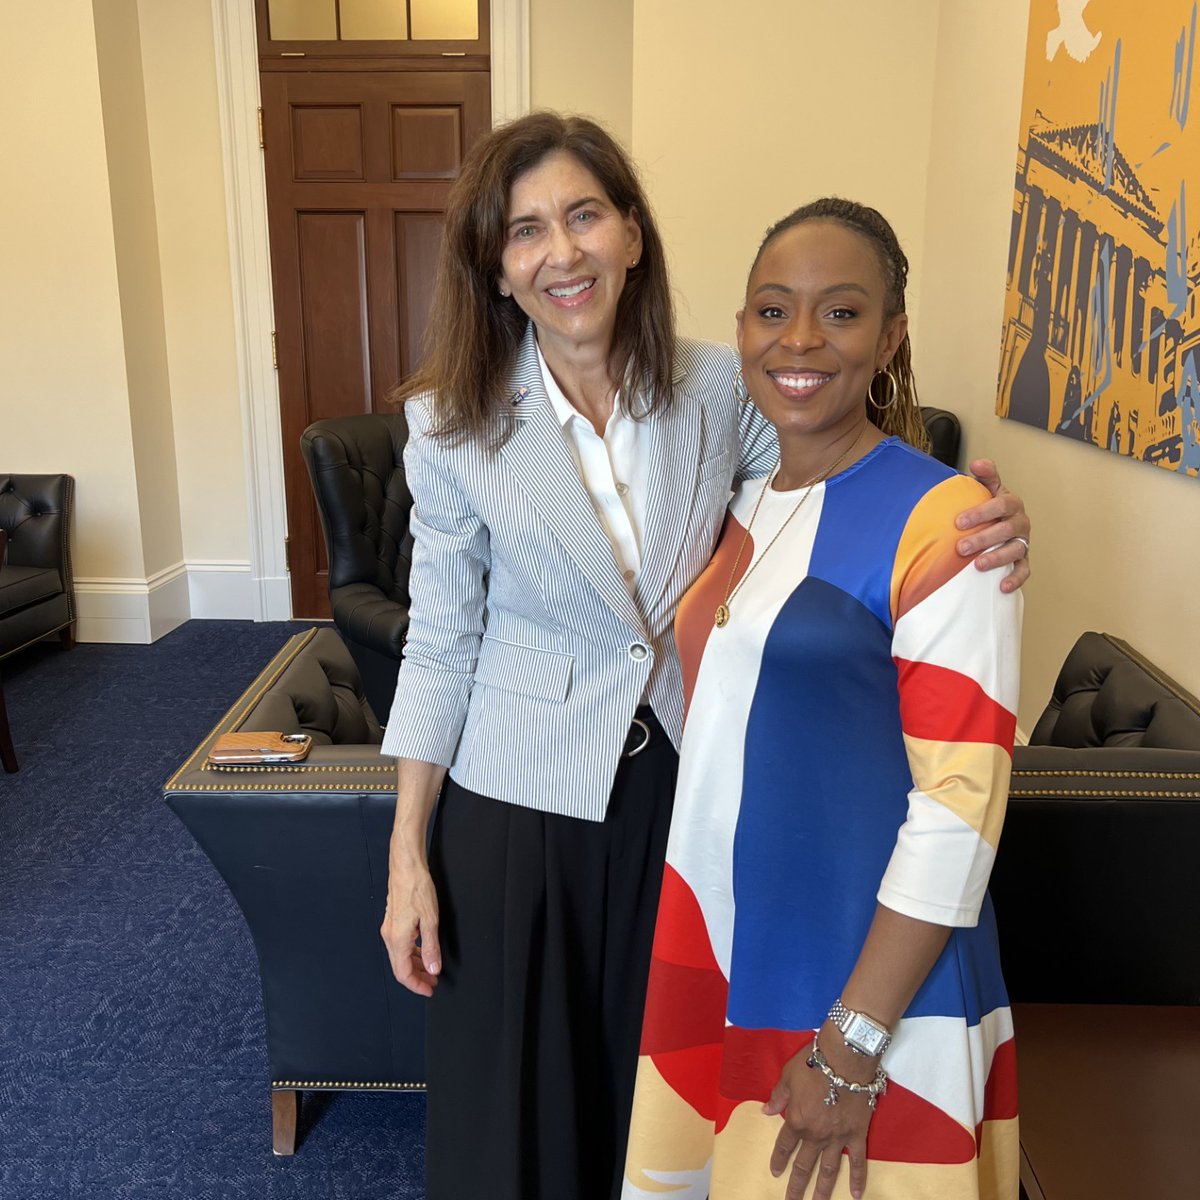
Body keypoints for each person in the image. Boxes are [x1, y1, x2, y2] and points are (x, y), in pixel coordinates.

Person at [377, 114, 1029, 1200]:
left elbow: (840, 483)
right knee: (519, 1118)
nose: (563, 251)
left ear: (633, 233)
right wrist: (406, 853)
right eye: (527, 230)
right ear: (496, 266)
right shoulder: (451, 427)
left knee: (664, 1101)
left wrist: (976, 520)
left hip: (686, 794)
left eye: (585, 215)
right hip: (517, 794)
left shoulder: (727, 382)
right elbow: (441, 638)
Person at [622, 197, 1022, 1200]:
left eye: (840, 314)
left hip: (863, 983)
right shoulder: (749, 500)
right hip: (731, 941)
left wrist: (851, 1045)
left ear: (891, 338)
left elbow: (960, 809)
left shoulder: (951, 524)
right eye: (771, 310)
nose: (799, 339)